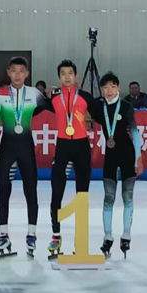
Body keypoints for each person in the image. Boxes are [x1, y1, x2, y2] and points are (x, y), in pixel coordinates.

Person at [0, 57, 52, 259]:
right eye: (14, 71)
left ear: (27, 74)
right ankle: (3, 235)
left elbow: (50, 107)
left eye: (21, 71)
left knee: (30, 191)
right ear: (8, 72)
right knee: (3, 191)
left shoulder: (34, 94)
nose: (17, 75)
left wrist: (55, 95)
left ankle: (31, 234)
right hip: (6, 148)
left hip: (26, 148)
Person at [87, 72, 144, 259]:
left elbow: (134, 132)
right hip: (110, 156)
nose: (109, 90)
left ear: (118, 87)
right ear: (101, 90)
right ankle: (107, 236)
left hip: (127, 154)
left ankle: (126, 235)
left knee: (128, 196)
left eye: (112, 86)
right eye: (105, 87)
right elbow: (84, 102)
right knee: (108, 197)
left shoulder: (126, 106)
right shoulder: (99, 107)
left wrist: (138, 158)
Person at [44, 59, 94, 259]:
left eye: (70, 73)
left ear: (76, 76)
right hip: (63, 147)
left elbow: (101, 113)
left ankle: (80, 238)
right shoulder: (53, 97)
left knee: (82, 194)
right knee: (57, 192)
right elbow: (33, 107)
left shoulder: (85, 96)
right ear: (59, 77)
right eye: (63, 74)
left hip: (82, 147)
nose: (67, 77)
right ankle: (56, 235)